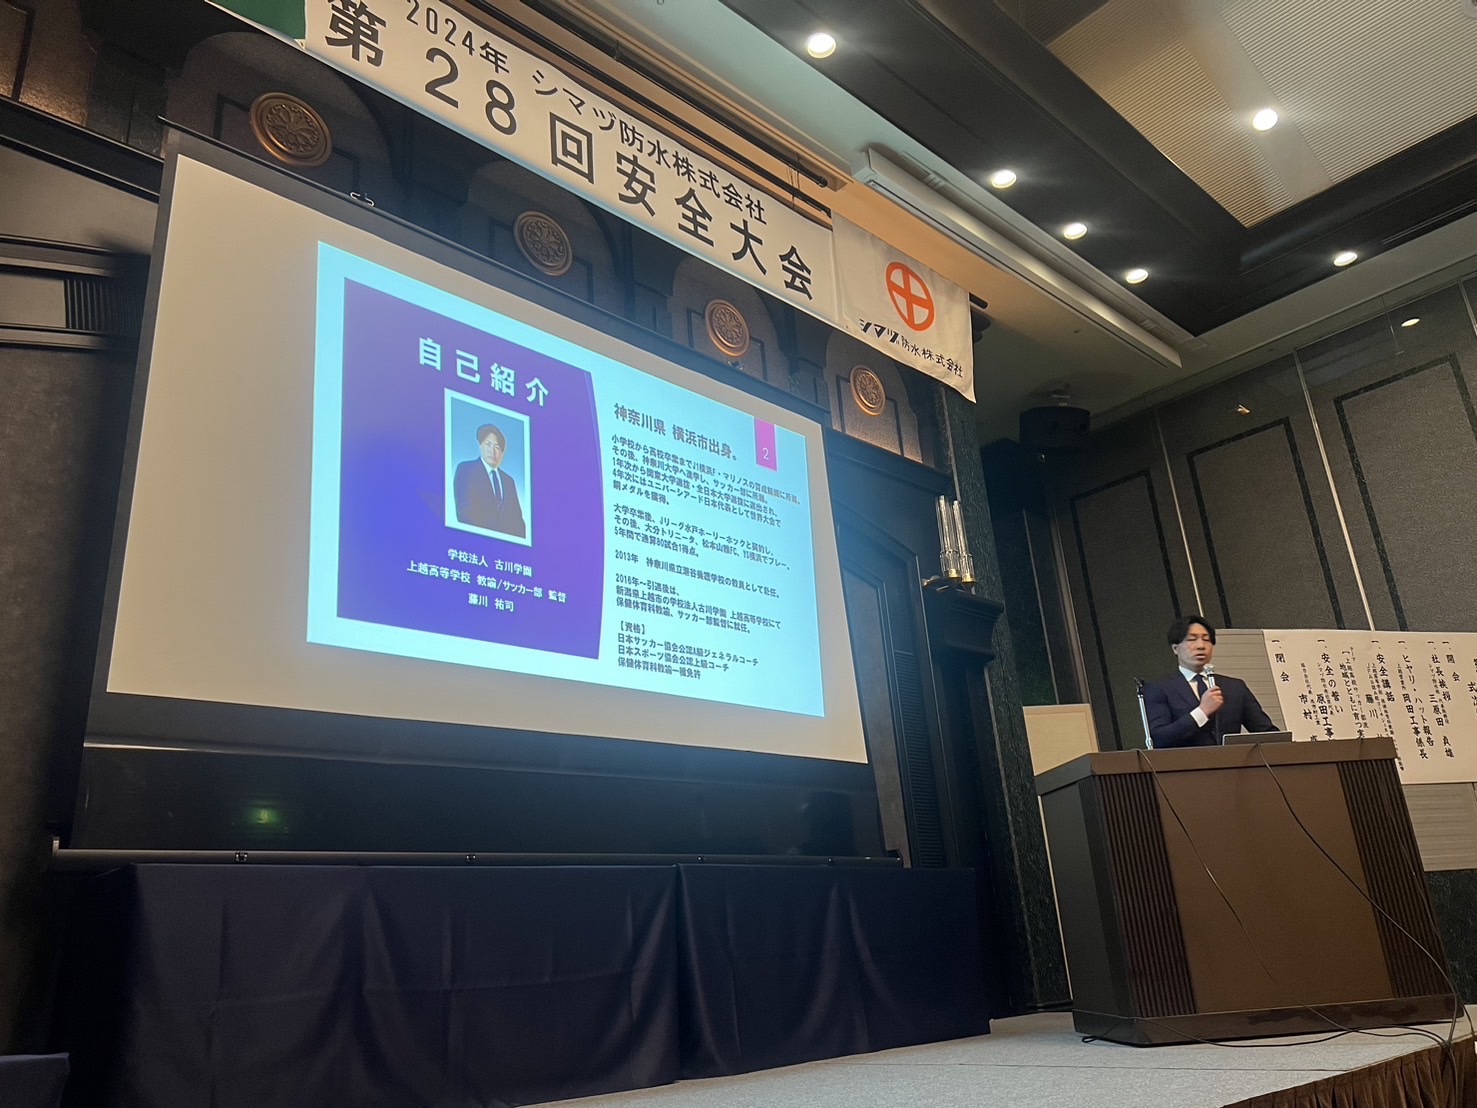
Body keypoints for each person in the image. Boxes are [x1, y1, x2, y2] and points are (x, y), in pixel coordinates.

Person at [1143, 615, 1276, 748]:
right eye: (1191, 639)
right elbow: (1159, 738)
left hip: (1232, 760)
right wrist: (1202, 711)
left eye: (1206, 640)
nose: (1201, 646)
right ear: (1175, 648)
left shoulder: (1235, 687)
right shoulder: (1158, 689)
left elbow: (1266, 733)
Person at [452, 422, 526, 537]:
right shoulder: (466, 469)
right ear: (480, 445)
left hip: (506, 546)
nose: (492, 451)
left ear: (502, 452)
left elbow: (518, 521)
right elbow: (465, 512)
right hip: (477, 542)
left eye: (497, 447)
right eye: (488, 444)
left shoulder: (509, 481)